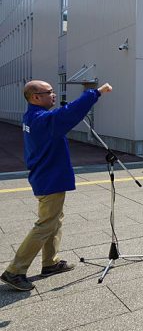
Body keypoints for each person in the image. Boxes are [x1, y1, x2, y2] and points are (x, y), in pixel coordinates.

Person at [1, 81, 113, 291]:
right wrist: (96, 93)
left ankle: (50, 263)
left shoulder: (31, 116)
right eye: (49, 92)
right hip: (49, 177)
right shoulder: (43, 120)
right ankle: (14, 271)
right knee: (46, 224)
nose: (53, 95)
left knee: (54, 221)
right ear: (35, 97)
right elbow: (70, 112)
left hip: (46, 175)